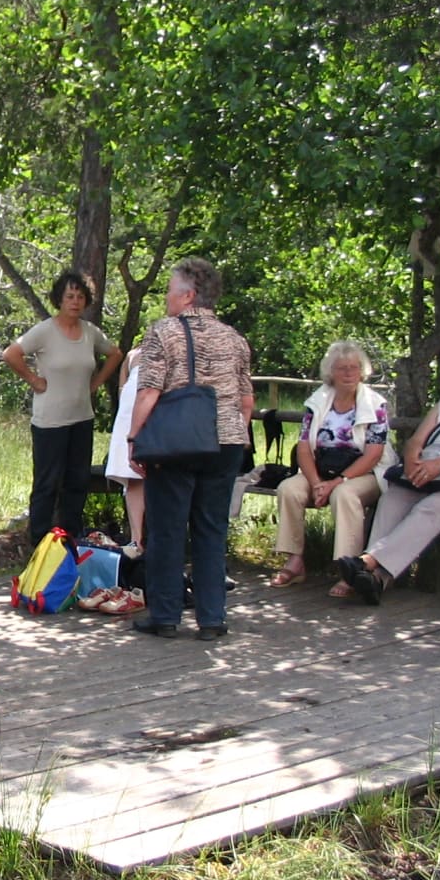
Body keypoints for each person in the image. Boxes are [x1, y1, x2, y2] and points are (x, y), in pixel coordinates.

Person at [127, 257, 253, 640]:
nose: (166, 297)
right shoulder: (235, 339)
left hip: (177, 443)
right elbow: (246, 401)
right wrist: (234, 432)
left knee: (167, 529)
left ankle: (165, 616)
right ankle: (212, 618)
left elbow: (149, 391)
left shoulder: (163, 332)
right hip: (227, 442)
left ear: (188, 295)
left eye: (170, 290)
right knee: (211, 529)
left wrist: (134, 439)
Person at [337, 340, 440, 605]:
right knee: (394, 497)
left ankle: (368, 561)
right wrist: (413, 461)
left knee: (434, 507)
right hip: (437, 473)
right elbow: (417, 440)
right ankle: (375, 579)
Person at [4, 271, 123, 546]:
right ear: (60, 299)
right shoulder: (45, 331)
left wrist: (96, 383)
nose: (75, 301)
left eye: (80, 296)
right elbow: (11, 353)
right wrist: (33, 379)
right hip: (50, 422)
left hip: (81, 419)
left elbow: (115, 354)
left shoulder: (90, 332)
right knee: (46, 484)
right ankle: (39, 544)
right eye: (70, 296)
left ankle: (71, 540)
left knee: (77, 482)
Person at [270, 342, 395, 596]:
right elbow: (304, 448)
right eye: (342, 368)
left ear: (362, 371)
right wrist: (317, 483)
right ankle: (294, 560)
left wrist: (337, 482)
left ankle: (349, 568)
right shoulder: (318, 401)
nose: (349, 373)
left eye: (354, 368)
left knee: (344, 494)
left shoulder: (375, 404)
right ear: (331, 372)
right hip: (322, 468)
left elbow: (374, 454)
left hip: (365, 472)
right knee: (289, 489)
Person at [103, 348, 146, 554]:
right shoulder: (131, 356)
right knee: (133, 478)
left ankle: (154, 538)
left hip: (160, 413)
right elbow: (122, 391)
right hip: (130, 415)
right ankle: (137, 540)